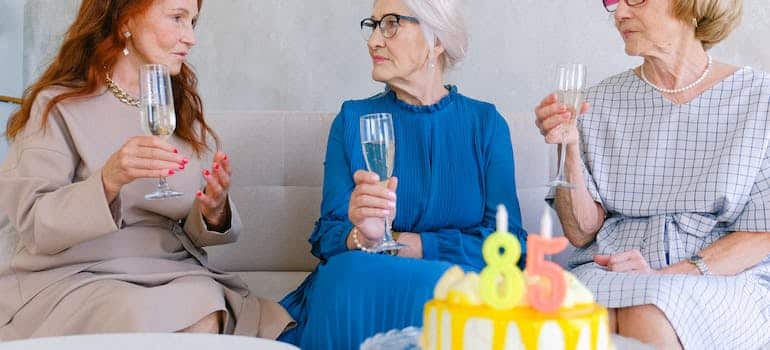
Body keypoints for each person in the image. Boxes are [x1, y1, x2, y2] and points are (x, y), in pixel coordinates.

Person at [0, 0, 292, 340]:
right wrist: (107, 182)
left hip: (171, 270)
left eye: (193, 22)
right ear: (126, 19)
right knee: (159, 312)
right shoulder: (58, 105)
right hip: (78, 274)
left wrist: (212, 211)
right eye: (177, 18)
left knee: (203, 303)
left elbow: (190, 228)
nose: (190, 38)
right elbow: (33, 222)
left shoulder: (179, 107)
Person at [278, 0, 527, 348]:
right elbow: (328, 236)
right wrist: (362, 236)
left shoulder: (485, 124)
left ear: (436, 41)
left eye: (391, 24)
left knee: (451, 291)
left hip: (453, 285)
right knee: (347, 275)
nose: (373, 41)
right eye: (374, 24)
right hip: (366, 279)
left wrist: (413, 245)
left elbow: (510, 243)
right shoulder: (352, 119)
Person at [535, 0, 769, 348]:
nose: (620, 13)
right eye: (614, 1)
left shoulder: (759, 98)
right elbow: (581, 233)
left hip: (719, 275)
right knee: (572, 317)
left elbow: (760, 234)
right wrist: (567, 149)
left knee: (648, 309)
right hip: (608, 268)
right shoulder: (596, 101)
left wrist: (667, 276)